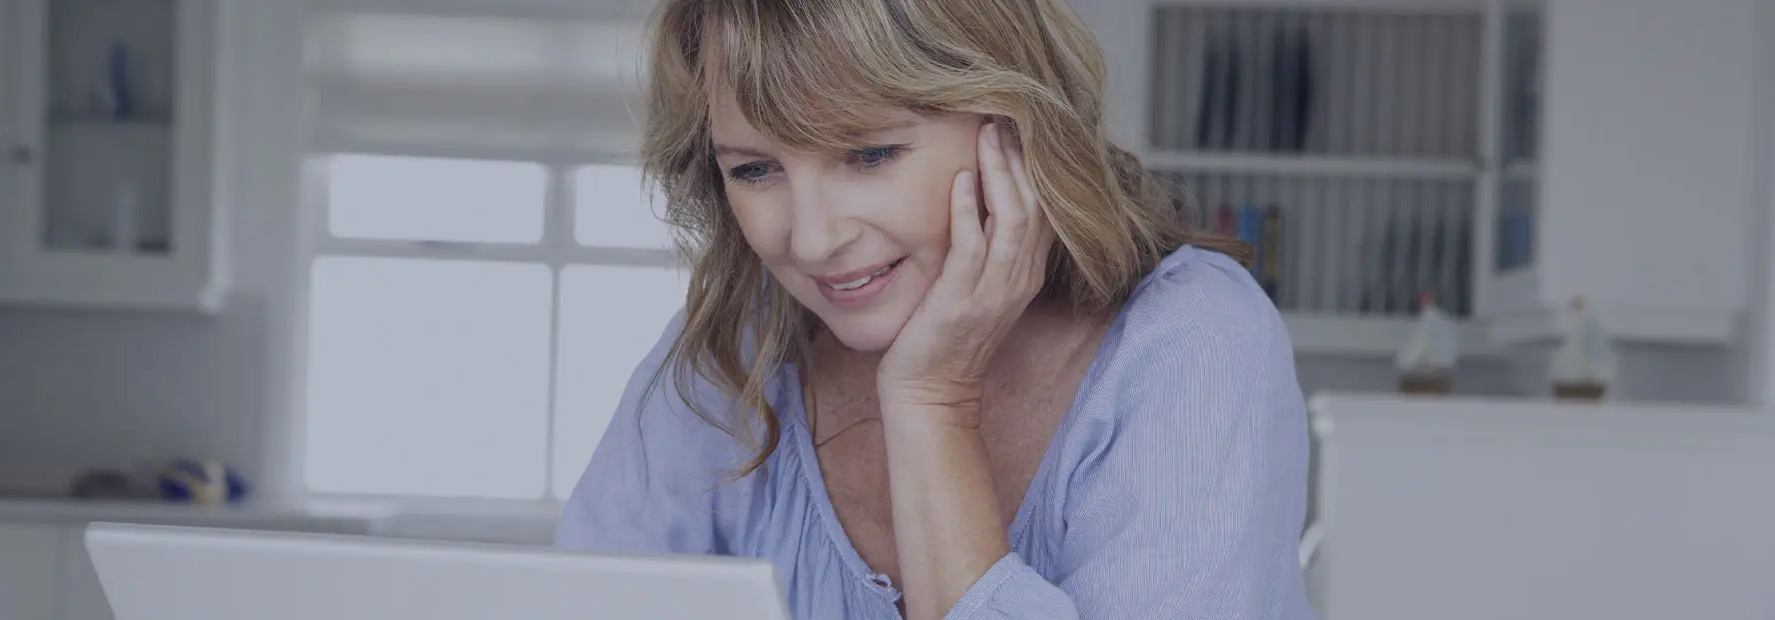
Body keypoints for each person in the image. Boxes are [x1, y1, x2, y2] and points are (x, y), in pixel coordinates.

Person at [555, 0, 1315, 618]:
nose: (815, 240)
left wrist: (930, 403)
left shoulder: (1196, 343)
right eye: (756, 169)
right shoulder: (733, 349)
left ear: (1014, 129)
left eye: (870, 155)